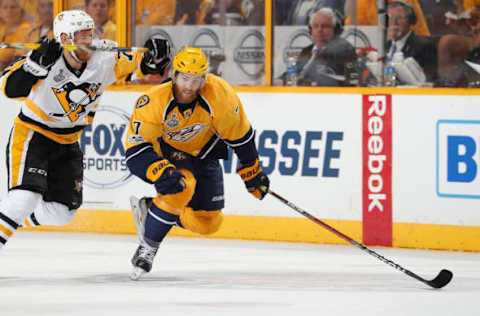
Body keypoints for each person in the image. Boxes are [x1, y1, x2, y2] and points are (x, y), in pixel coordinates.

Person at [0, 10, 170, 251]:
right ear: (65, 39)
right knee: (25, 198)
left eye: (90, 34)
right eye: (81, 35)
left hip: (69, 142)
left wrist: (154, 57)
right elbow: (9, 89)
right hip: (33, 135)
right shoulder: (44, 58)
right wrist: (31, 68)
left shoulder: (105, 56)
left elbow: (142, 67)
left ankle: (8, 217)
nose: (89, 40)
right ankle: (10, 214)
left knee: (62, 213)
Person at [125, 46, 270, 280]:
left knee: (209, 223)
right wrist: (159, 170)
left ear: (205, 77)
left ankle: (153, 210)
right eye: (185, 78)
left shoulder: (220, 95)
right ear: (174, 75)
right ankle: (148, 247)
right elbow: (135, 149)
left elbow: (240, 136)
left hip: (205, 155)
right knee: (181, 186)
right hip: (169, 153)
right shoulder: (153, 101)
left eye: (197, 80)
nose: (190, 87)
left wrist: (252, 170)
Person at [283, 7, 356, 86]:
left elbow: (350, 82)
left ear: (335, 30)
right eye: (315, 26)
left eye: (325, 26)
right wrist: (281, 80)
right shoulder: (306, 51)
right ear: (311, 30)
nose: (319, 29)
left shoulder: (344, 50)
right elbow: (292, 73)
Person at [386, 1, 438, 82]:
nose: (393, 22)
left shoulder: (424, 46)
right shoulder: (385, 46)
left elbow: (429, 81)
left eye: (399, 18)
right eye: (389, 18)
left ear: (410, 21)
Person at [0, 0, 32, 71]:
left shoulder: (26, 28)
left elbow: (9, 54)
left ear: (21, 10)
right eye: (5, 7)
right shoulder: (2, 28)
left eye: (13, 7)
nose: (9, 11)